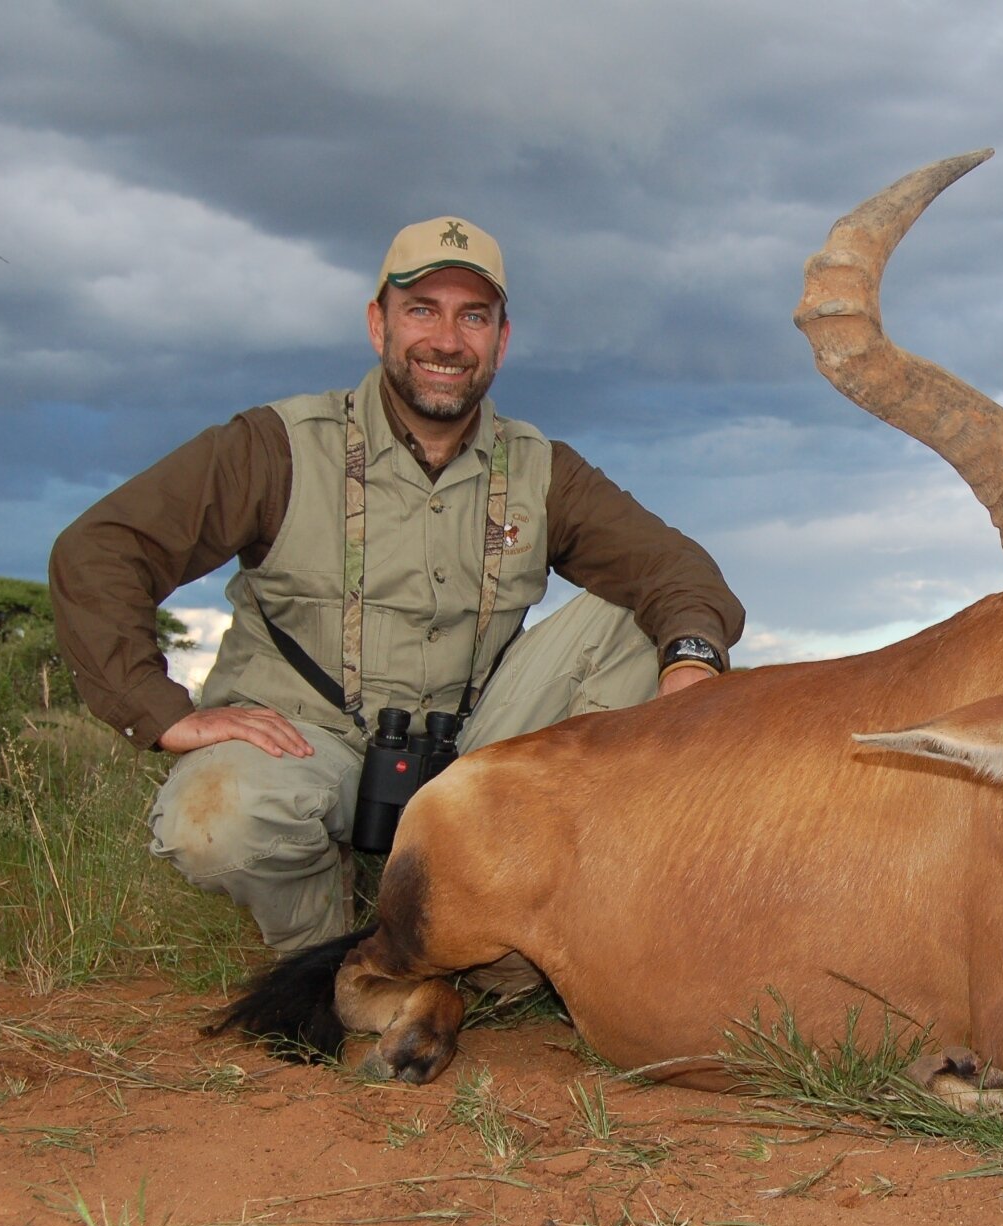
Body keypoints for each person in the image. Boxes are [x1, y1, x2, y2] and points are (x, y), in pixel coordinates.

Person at [51, 216, 745, 954]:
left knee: (641, 620)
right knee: (214, 821)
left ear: (501, 341)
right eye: (421, 310)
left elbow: (674, 568)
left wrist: (693, 668)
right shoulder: (276, 445)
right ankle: (331, 958)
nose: (447, 341)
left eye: (472, 317)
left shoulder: (542, 469)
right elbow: (100, 548)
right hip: (303, 741)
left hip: (471, 749)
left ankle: (517, 926)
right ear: (377, 323)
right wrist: (159, 712)